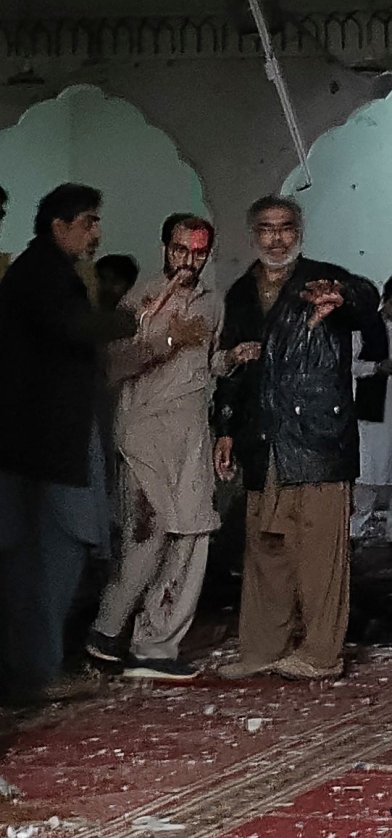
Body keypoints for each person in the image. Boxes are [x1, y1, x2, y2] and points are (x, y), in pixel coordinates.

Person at [212, 195, 379, 680]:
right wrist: (225, 429)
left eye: (285, 227)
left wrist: (342, 297)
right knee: (266, 550)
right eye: (266, 229)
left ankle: (322, 654)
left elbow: (364, 299)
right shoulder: (241, 293)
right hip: (262, 438)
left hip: (317, 438)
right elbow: (234, 368)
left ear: (299, 231)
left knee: (320, 553)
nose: (276, 238)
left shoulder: (323, 280)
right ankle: (261, 649)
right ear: (253, 235)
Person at [88, 214, 246, 681]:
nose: (188, 261)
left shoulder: (213, 302)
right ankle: (106, 633)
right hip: (145, 435)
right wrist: (171, 337)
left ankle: (155, 645)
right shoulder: (142, 299)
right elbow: (116, 362)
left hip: (190, 435)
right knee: (146, 535)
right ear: (165, 248)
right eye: (180, 250)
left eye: (198, 253)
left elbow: (207, 364)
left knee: (192, 536)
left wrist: (231, 360)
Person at [0, 184, 137, 701]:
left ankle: (36, 669)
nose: (96, 233)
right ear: (58, 226)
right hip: (43, 448)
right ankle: (34, 673)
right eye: (88, 222)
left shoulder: (48, 272)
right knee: (47, 559)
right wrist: (134, 319)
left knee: (49, 557)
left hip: (46, 443)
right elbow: (74, 327)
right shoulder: (39, 274)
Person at [352, 274, 392, 543]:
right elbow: (351, 365)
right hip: (373, 413)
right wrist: (376, 368)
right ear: (385, 301)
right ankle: (356, 533)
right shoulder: (366, 326)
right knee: (366, 478)